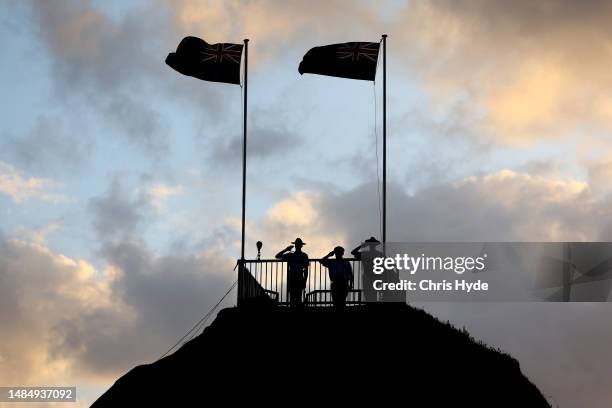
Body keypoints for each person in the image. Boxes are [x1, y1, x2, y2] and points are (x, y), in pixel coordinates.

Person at [275, 238, 309, 307]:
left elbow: (306, 269)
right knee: (294, 297)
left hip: (296, 277)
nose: (298, 246)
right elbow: (277, 256)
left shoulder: (300, 255)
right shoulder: (295, 255)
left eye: (298, 244)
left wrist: (304, 281)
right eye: (297, 244)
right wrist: (286, 250)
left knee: (296, 297)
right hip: (294, 277)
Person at [351, 237, 382, 302]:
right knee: (371, 293)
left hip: (370, 275)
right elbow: (353, 252)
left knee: (369, 293)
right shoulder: (378, 254)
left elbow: (353, 252)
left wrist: (362, 246)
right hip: (372, 275)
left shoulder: (366, 253)